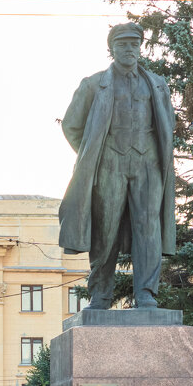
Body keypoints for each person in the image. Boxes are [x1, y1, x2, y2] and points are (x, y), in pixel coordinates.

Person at [58, 22, 176, 309]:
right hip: (109, 163)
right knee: (105, 229)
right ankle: (101, 293)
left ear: (140, 48)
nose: (129, 50)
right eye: (122, 45)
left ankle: (146, 293)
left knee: (148, 228)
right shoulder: (94, 84)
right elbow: (72, 126)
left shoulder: (158, 84)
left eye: (134, 44)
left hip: (148, 164)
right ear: (111, 49)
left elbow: (167, 124)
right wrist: (94, 155)